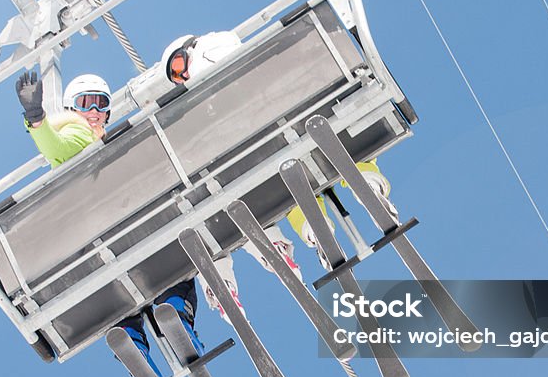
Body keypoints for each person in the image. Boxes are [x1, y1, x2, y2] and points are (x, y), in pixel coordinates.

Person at [15, 68, 201, 377]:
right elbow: (56, 147)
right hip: (121, 230)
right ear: (72, 108)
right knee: (178, 266)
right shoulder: (77, 134)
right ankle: (175, 311)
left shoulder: (102, 140)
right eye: (85, 103)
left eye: (100, 104)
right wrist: (36, 118)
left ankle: (132, 338)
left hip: (99, 248)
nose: (93, 112)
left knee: (118, 296)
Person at [161, 32, 398, 275]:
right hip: (288, 129)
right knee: (300, 182)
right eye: (178, 78)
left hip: (279, 117)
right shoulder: (211, 66)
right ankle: (341, 210)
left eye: (179, 67)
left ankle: (328, 219)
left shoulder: (209, 49)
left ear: (188, 46)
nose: (185, 76)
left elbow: (218, 70)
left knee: (295, 180)